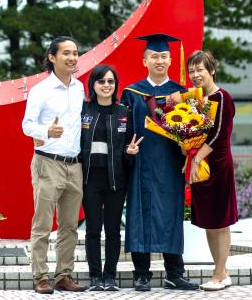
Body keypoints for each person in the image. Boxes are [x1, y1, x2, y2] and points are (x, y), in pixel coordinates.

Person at [120, 33, 199, 292]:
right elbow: (122, 130)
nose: (160, 60)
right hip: (141, 165)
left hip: (169, 165)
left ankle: (175, 273)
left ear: (170, 59)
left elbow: (192, 132)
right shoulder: (131, 94)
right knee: (140, 216)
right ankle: (141, 274)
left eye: (164, 56)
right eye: (154, 56)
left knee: (170, 216)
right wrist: (126, 151)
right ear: (144, 61)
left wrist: (188, 149)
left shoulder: (181, 93)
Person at [21, 36, 88, 294]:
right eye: (66, 53)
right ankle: (40, 276)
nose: (72, 57)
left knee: (70, 226)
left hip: (75, 165)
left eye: (75, 52)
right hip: (47, 163)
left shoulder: (80, 88)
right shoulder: (41, 90)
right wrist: (47, 131)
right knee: (42, 224)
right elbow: (26, 125)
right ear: (52, 57)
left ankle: (64, 276)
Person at [80, 64, 142, 291]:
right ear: (93, 85)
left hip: (116, 180)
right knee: (93, 230)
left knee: (114, 230)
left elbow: (129, 145)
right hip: (89, 180)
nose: (106, 85)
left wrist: (130, 151)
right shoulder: (83, 110)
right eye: (101, 81)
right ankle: (95, 277)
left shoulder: (123, 112)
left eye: (111, 81)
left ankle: (110, 277)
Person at [185, 50, 238, 291]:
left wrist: (196, 159)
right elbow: (190, 133)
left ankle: (219, 273)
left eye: (200, 70)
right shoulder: (194, 100)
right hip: (200, 166)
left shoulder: (222, 97)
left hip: (217, 165)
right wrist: (189, 155)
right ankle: (221, 271)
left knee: (221, 220)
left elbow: (218, 134)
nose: (196, 75)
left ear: (212, 70)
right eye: (192, 71)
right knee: (208, 220)